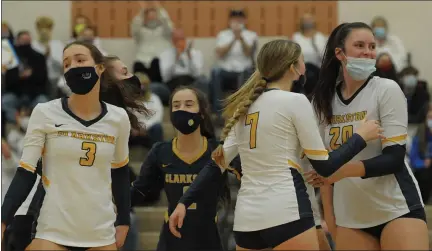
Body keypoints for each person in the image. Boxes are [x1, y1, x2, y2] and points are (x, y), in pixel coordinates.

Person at [169, 39, 382, 250]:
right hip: (286, 210)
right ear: (292, 68)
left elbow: (215, 165)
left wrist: (183, 202)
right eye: (302, 62)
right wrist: (360, 137)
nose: (304, 68)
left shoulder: (244, 108)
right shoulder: (296, 101)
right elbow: (324, 166)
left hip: (247, 222)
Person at [1, 41, 143, 250]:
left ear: (100, 67)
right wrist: (3, 219)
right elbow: (26, 172)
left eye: (80, 60)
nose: (73, 67)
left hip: (100, 232)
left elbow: (119, 171)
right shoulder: (45, 112)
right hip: (52, 229)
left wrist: (123, 219)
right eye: (66, 64)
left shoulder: (118, 118)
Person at [310, 22, 429, 250]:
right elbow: (322, 167)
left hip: (396, 207)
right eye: (359, 45)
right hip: (350, 216)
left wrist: (340, 172)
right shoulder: (322, 102)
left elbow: (393, 159)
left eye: (372, 46)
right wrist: (330, 216)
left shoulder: (387, 89)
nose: (368, 51)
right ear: (340, 53)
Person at [131, 86, 240, 251]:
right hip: (172, 239)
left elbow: (246, 175)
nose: (181, 109)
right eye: (176, 105)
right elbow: (139, 191)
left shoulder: (218, 151)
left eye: (189, 104)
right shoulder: (160, 151)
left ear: (201, 113)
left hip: (208, 238)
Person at [409, 108, 432, 204]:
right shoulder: (420, 132)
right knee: (424, 176)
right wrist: (423, 163)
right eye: (430, 117)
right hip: (423, 169)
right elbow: (413, 157)